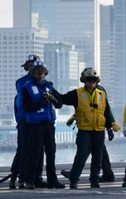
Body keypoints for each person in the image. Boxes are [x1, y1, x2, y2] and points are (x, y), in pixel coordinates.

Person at [56, 68, 119, 189]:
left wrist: (110, 128)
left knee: (98, 156)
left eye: (93, 80)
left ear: (97, 81)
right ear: (84, 81)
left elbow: (105, 111)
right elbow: (62, 98)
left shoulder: (101, 94)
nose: (91, 82)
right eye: (88, 80)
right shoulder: (77, 94)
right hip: (84, 130)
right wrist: (52, 92)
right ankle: (74, 180)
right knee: (81, 154)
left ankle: (94, 180)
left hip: (99, 130)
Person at [20, 60, 64, 189]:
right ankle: (30, 180)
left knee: (51, 152)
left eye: (42, 72)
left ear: (45, 73)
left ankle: (52, 180)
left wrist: (52, 99)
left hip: (48, 124)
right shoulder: (27, 87)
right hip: (35, 124)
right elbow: (26, 107)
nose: (40, 75)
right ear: (32, 73)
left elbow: (59, 104)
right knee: (34, 152)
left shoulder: (49, 86)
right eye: (37, 72)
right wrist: (40, 103)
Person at [10, 54, 39, 189]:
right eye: (30, 65)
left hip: (37, 121)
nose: (32, 67)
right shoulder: (23, 82)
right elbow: (24, 102)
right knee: (23, 149)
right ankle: (16, 177)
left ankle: (34, 177)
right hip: (25, 120)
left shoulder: (42, 82)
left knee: (36, 150)